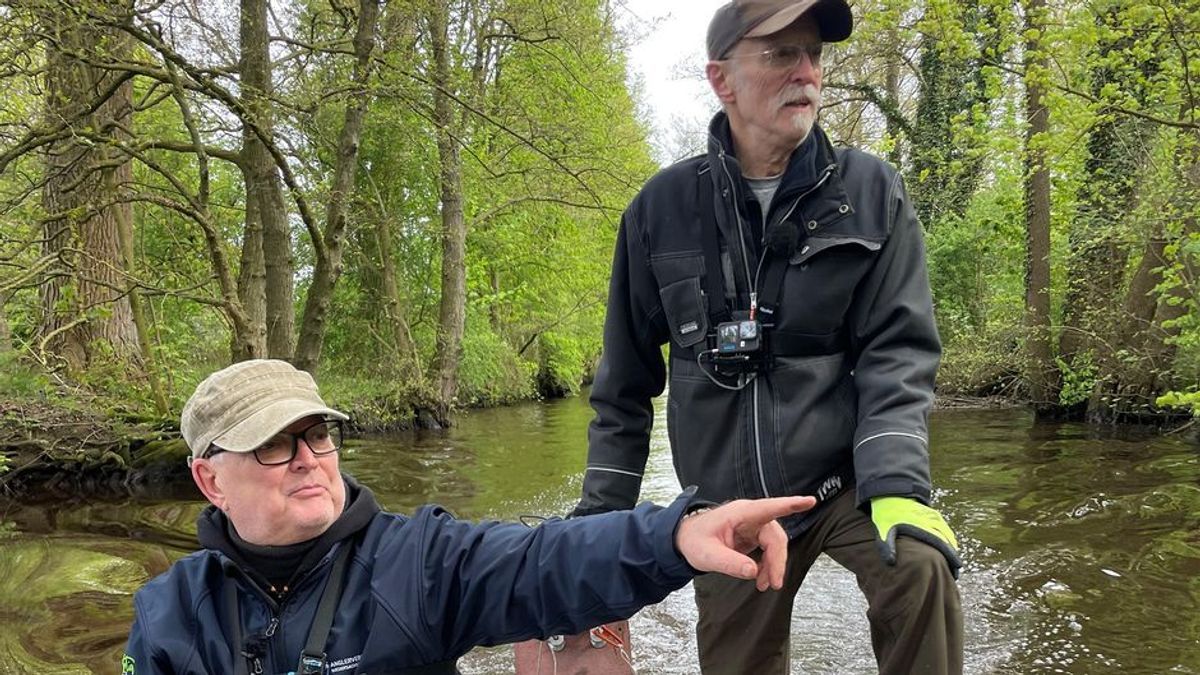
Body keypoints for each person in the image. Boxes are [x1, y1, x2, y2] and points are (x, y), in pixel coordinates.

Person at [570, 0, 964, 673]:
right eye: (781, 54)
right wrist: (592, 530)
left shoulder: (873, 193)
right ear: (722, 79)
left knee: (921, 566)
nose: (806, 72)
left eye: (813, 54)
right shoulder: (656, 213)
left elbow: (898, 356)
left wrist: (897, 484)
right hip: (728, 505)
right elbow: (624, 391)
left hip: (845, 482)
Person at [121, 359, 816, 675]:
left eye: (318, 434)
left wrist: (676, 533)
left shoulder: (416, 560)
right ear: (210, 478)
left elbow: (546, 563)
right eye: (274, 443)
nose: (307, 458)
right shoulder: (170, 616)